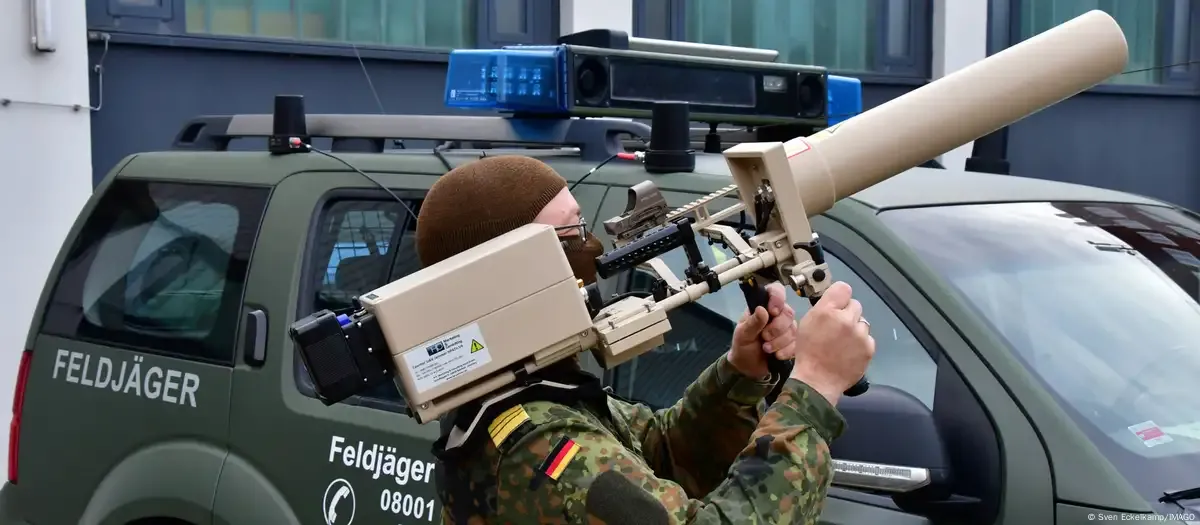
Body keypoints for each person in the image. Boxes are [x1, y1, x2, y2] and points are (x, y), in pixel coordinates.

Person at [415, 154, 876, 525]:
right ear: (513, 274)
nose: (592, 246)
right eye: (572, 231)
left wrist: (738, 375)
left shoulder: (539, 395)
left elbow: (661, 452)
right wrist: (814, 388)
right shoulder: (540, 446)